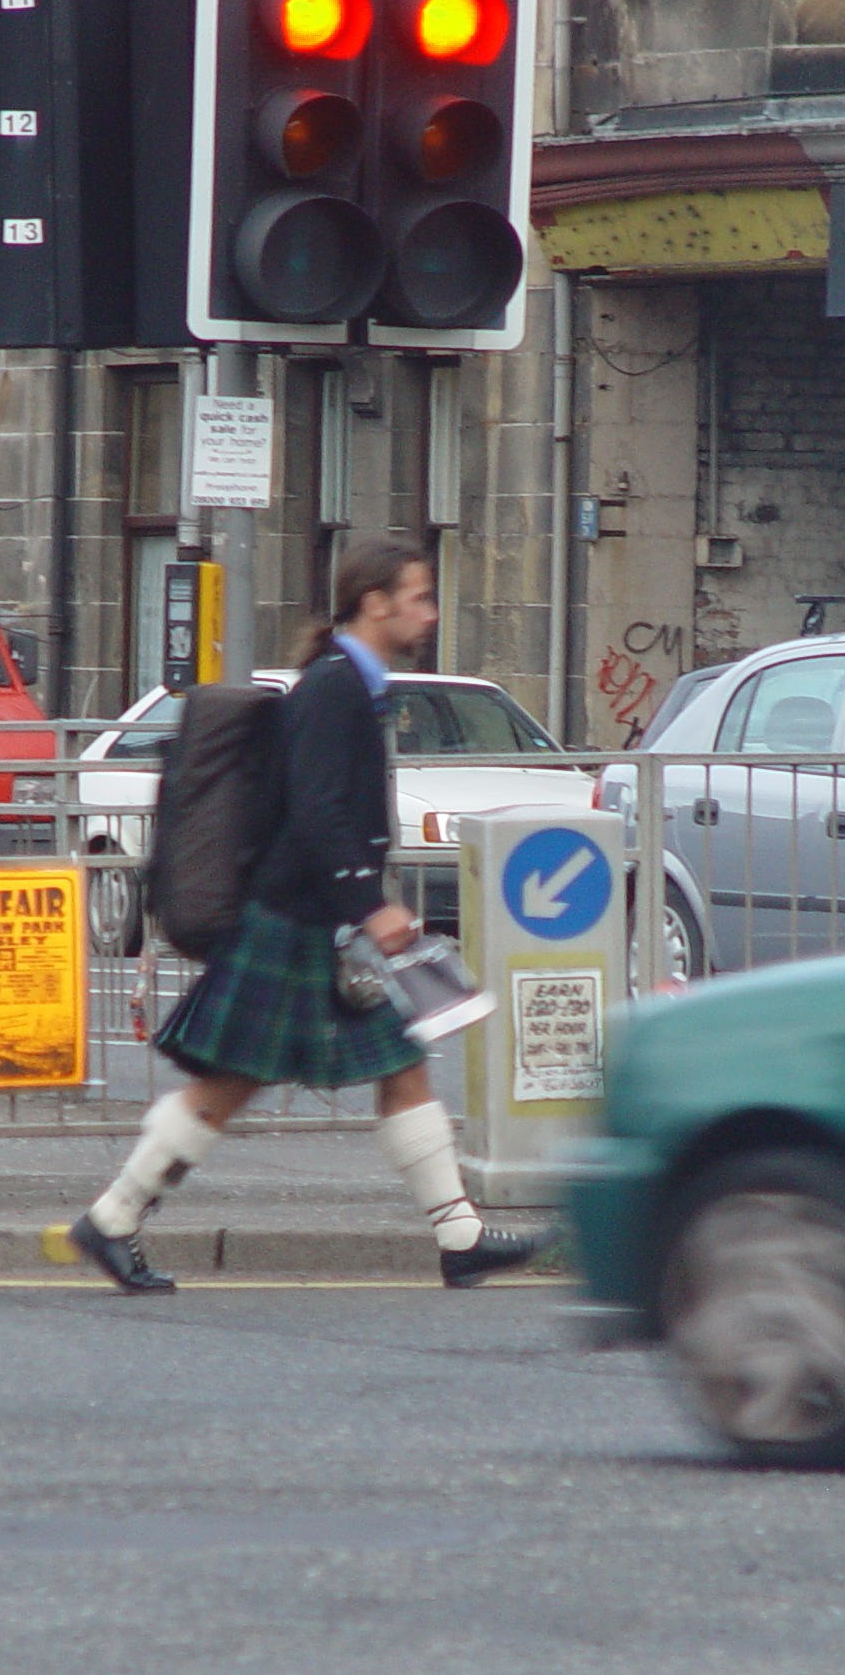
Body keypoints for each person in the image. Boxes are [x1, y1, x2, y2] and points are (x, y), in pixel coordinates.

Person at [69, 537, 548, 1294]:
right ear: (375, 602)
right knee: (225, 1086)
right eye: (419, 596)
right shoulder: (333, 689)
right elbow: (318, 809)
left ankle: (459, 1238)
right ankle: (112, 1218)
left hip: (317, 923)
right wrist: (371, 904)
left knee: (401, 1060)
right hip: (292, 919)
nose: (429, 611)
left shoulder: (355, 685)